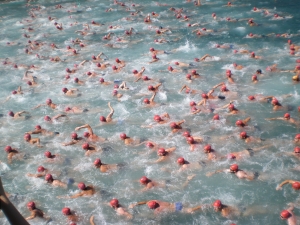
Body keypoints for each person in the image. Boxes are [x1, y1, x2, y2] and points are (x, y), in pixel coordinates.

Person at [129, 199, 203, 214]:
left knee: (191, 210)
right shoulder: (156, 201)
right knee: (192, 204)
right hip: (177, 203)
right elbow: (145, 202)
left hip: (177, 209)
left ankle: (204, 206)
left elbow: (157, 221)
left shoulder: (157, 211)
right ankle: (202, 204)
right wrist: (135, 204)